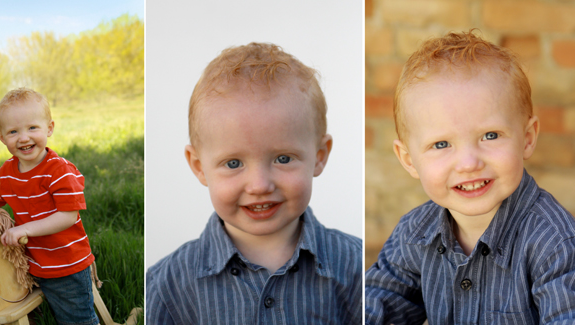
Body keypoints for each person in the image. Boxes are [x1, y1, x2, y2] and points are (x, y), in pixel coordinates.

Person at [365, 30, 575, 324]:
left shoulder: (553, 242)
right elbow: (377, 304)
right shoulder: (415, 233)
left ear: (527, 138)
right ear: (409, 160)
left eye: (490, 135)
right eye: (441, 144)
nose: (468, 163)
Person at [146, 42, 362, 324]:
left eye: (283, 158)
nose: (259, 185)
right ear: (199, 166)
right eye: (234, 163)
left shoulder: (355, 267)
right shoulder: (167, 285)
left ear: (319, 157)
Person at [0, 88, 98, 325]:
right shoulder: (6, 174)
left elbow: (67, 216)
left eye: (32, 128)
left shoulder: (59, 171)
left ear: (50, 128)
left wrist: (24, 229)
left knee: (76, 320)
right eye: (13, 131)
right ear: (1, 137)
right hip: (28, 263)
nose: (23, 138)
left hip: (66, 264)